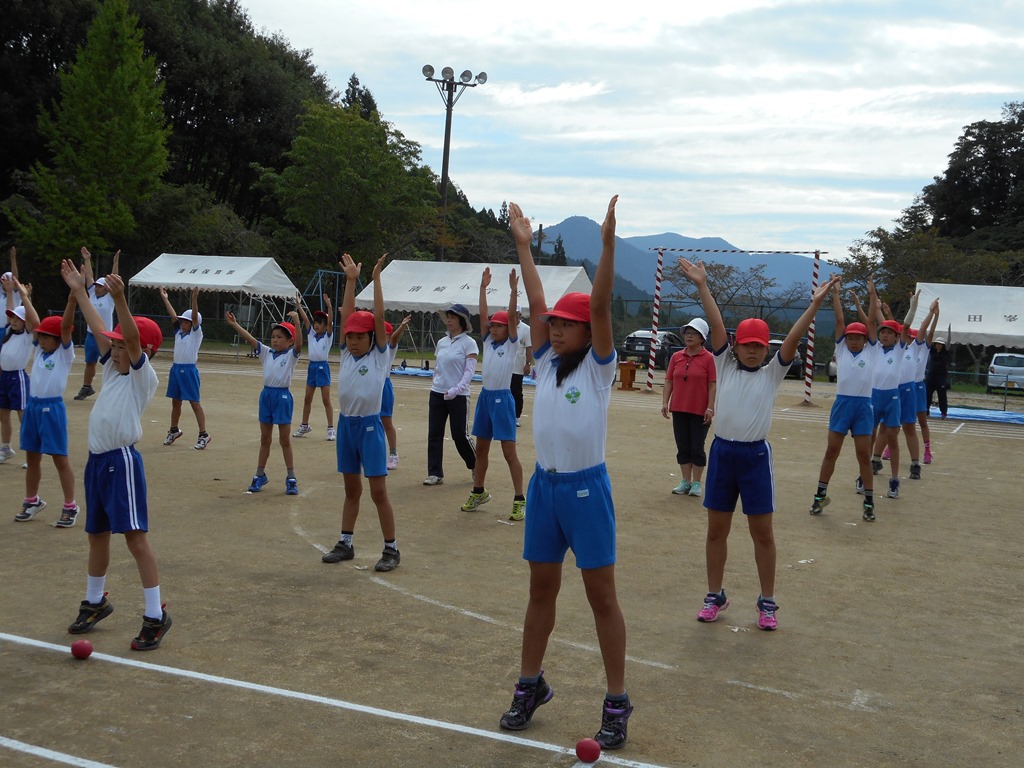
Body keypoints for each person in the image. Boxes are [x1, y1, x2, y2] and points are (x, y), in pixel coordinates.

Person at [499, 196, 633, 751]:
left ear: (587, 331)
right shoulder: (546, 361)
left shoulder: (599, 369)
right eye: (553, 323)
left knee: (602, 597)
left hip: (585, 490)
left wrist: (607, 245)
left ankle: (617, 700)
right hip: (545, 488)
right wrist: (524, 246)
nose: (555, 330)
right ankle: (530, 684)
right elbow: (535, 299)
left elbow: (599, 306)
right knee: (541, 590)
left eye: (566, 325)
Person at [678, 256, 839, 632]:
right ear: (735, 346)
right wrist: (702, 285)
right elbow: (717, 324)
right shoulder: (723, 364)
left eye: (759, 346)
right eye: (747, 345)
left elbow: (794, 337)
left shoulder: (772, 374)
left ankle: (767, 602)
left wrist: (814, 305)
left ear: (767, 349)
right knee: (716, 531)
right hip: (723, 453)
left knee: (762, 532)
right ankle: (714, 595)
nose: (752, 351)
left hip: (754, 457)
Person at [60, 261, 172, 650]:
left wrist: (121, 299)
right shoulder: (111, 370)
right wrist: (79, 292)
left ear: (144, 351)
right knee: (97, 535)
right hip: (97, 463)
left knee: (135, 539)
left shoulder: (143, 376)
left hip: (121, 462)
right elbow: (97, 328)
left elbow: (132, 339)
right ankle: (95, 602)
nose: (116, 349)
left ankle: (155, 615)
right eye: (116, 345)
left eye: (122, 346)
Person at [321, 253, 400, 572]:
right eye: (350, 336)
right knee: (351, 489)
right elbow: (347, 313)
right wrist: (350, 281)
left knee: (378, 492)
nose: (353, 341)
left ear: (372, 338)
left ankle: (391, 548)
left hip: (369, 428)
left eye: (359, 336)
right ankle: (346, 542)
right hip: (346, 427)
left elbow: (378, 316)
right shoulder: (345, 354)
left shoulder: (379, 357)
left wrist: (376, 279)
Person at [809, 278, 880, 522]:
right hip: (842, 405)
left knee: (863, 455)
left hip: (863, 407)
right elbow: (840, 321)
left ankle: (869, 502)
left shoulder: (871, 351)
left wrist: (872, 295)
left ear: (865, 339)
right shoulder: (841, 350)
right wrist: (835, 294)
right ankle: (820, 496)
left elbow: (871, 322)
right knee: (831, 451)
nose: (853, 341)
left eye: (858, 337)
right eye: (850, 337)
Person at [15, 270, 82, 527]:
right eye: (40, 336)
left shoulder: (64, 354)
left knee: (59, 458)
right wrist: (24, 296)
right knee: (32, 457)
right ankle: (31, 500)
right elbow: (34, 322)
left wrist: (72, 299)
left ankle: (70, 505)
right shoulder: (39, 350)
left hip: (52, 410)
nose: (41, 339)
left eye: (46, 337)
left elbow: (65, 326)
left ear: (58, 339)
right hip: (33, 407)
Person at [462, 267, 526, 520]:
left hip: (502, 400)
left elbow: (510, 316)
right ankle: (478, 491)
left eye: (499, 326)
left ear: (508, 327)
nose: (494, 328)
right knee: (481, 450)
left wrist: (513, 290)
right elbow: (483, 314)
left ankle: (519, 499)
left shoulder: (511, 344)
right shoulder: (488, 341)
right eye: (493, 326)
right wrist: (482, 288)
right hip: (485, 398)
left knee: (509, 453)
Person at [226, 303, 303, 495]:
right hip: (266, 396)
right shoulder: (267, 353)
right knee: (265, 439)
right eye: (273, 336)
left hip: (282, 397)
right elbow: (251, 339)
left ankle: (291, 477)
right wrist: (235, 325)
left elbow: (300, 344)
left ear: (290, 341)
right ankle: (260, 474)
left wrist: (296, 321)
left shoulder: (291, 355)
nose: (275, 340)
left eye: (280, 337)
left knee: (284, 440)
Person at [424, 303, 478, 485]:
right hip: (437, 393)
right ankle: (435, 473)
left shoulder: (469, 343)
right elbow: (438, 367)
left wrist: (457, 389)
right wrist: (436, 382)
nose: (448, 320)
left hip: (459, 396)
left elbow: (469, 372)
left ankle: (475, 464)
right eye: (447, 317)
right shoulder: (442, 342)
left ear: (461, 321)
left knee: (459, 435)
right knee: (434, 434)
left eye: (452, 317)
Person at [662, 317, 716, 497]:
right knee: (683, 446)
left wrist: (710, 407)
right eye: (687, 333)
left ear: (702, 338)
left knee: (697, 447)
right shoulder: (676, 357)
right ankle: (685, 481)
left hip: (700, 410)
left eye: (694, 333)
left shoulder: (709, 359)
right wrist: (665, 402)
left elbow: (712, 385)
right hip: (679, 408)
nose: (689, 336)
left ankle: (697, 483)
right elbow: (669, 381)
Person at [157, 287, 211, 450]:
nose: (182, 323)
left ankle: (203, 434)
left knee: (194, 403)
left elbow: (194, 317)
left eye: (186, 321)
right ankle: (174, 430)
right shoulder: (178, 332)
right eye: (182, 321)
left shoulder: (196, 334)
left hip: (188, 371)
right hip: (176, 370)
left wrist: (194, 299)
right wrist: (165, 299)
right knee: (176, 401)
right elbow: (173, 316)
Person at [1, 274, 38, 465]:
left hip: (18, 378)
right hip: (4, 377)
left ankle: (31, 452)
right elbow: (10, 309)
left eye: (18, 318)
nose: (14, 320)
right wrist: (10, 292)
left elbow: (33, 320)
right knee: (3, 414)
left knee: (23, 416)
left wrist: (26, 297)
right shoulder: (9, 331)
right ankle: (6, 448)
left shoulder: (27, 335)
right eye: (12, 317)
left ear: (25, 322)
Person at [74, 247, 116, 400]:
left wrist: (115, 263)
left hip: (105, 336)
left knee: (109, 364)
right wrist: (87, 259)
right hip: (91, 335)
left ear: (107, 288)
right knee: (90, 362)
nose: (97, 288)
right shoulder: (91, 293)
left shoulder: (110, 298)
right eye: (97, 286)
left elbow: (115, 278)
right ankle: (87, 387)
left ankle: (111, 389)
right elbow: (89, 276)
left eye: (100, 286)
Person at [294, 294, 335, 441]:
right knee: (307, 399)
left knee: (326, 400)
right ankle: (304, 425)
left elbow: (330, 322)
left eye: (320, 323)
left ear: (325, 325)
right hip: (312, 367)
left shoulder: (328, 336)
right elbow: (305, 320)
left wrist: (329, 306)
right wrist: (299, 306)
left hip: (323, 367)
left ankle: (330, 429)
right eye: (315, 322)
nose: (316, 325)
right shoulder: (311, 334)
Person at [382, 316, 412, 469]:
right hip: (371, 387)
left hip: (384, 387)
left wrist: (401, 326)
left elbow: (394, 339)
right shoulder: (371, 348)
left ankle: (393, 454)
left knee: (386, 421)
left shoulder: (389, 348)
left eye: (384, 334)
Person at [916, 302, 940, 464]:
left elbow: (930, 332)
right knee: (896, 421)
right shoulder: (904, 349)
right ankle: (889, 447)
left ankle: (927, 450)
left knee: (922, 421)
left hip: (918, 387)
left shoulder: (924, 349)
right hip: (904, 388)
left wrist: (935, 315)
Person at [510, 305, 533, 426]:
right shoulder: (505, 326)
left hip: (517, 367)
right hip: (505, 366)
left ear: (519, 315)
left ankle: (516, 416)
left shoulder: (526, 329)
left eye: (515, 313)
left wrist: (528, 363)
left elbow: (529, 347)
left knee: (516, 392)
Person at [926, 333, 950, 423]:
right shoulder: (931, 351)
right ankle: (926, 411)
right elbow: (927, 341)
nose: (938, 346)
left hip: (941, 377)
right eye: (937, 344)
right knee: (927, 394)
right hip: (931, 376)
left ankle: (943, 412)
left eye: (940, 344)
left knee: (942, 396)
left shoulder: (945, 353)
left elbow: (949, 344)